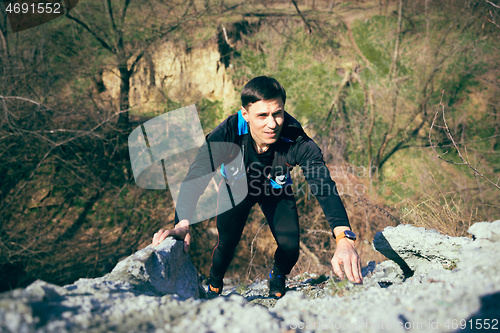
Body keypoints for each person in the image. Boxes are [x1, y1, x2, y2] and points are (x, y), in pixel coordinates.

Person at [152, 76, 362, 299]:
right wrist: (182, 223)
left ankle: (278, 275)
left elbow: (324, 185)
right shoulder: (227, 134)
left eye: (277, 114)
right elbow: (196, 176)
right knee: (226, 244)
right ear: (245, 115)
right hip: (236, 189)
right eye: (262, 115)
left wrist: (344, 238)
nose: (272, 124)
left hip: (275, 189)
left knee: (290, 248)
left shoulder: (296, 139)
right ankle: (214, 282)